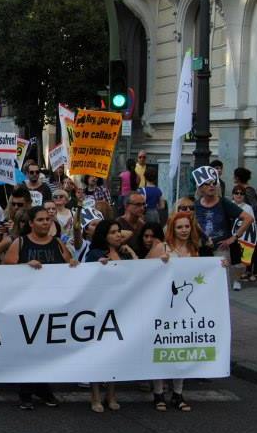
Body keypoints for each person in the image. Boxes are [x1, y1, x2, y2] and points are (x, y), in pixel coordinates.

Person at [3, 206, 78, 410]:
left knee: (45, 349)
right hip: (26, 304)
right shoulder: (20, 243)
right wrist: (25, 265)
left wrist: (73, 264)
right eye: (41, 219)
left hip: (52, 304)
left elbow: (69, 264)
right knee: (29, 347)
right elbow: (5, 268)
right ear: (31, 223)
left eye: (48, 219)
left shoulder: (57, 243)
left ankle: (39, 387)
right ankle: (28, 391)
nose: (46, 222)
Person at [146, 212, 214, 412]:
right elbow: (142, 271)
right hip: (162, 306)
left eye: (186, 226)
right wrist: (159, 264)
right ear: (172, 229)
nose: (184, 230)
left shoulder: (194, 250)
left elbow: (199, 275)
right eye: (179, 227)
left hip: (184, 309)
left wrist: (218, 266)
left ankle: (178, 393)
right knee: (161, 349)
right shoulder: (162, 248)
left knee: (181, 349)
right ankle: (158, 393)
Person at [83, 220, 136, 412]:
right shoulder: (95, 254)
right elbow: (86, 277)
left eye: (118, 232)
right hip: (100, 310)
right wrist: (98, 266)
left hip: (122, 308)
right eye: (113, 232)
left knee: (117, 351)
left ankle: (112, 393)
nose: (118, 235)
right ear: (104, 235)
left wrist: (131, 253)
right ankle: (95, 394)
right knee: (97, 352)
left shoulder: (123, 252)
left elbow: (140, 274)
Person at [195, 168, 254, 290]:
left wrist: (233, 238)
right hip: (201, 249)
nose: (212, 186)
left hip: (221, 249)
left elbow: (248, 218)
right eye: (208, 183)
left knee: (221, 285)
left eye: (213, 183)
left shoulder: (223, 203)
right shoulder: (195, 205)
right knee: (202, 283)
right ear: (200, 187)